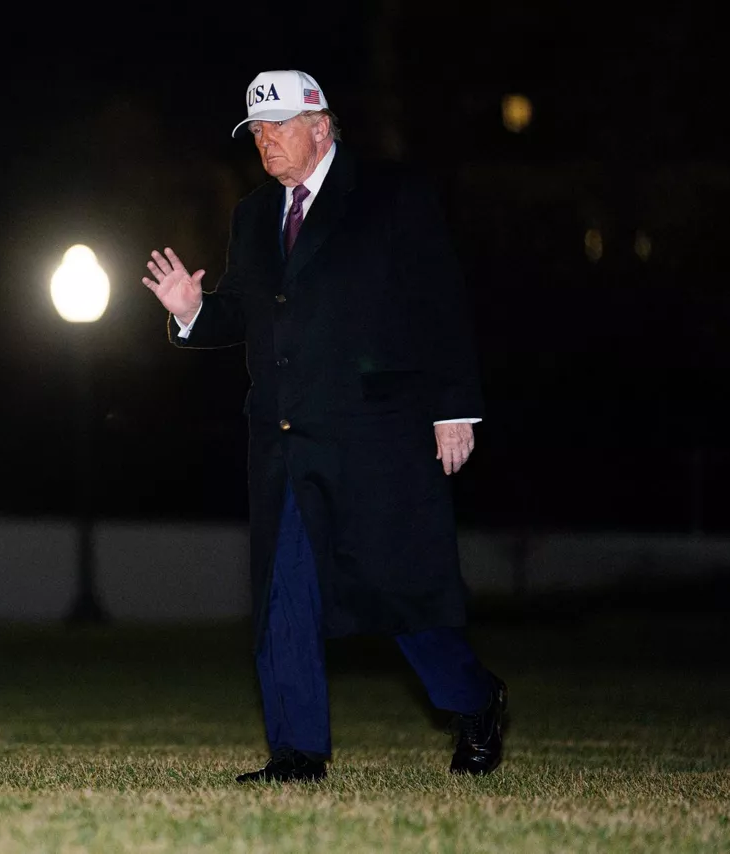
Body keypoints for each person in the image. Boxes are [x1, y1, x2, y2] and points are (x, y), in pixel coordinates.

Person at [141, 70, 505, 782]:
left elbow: (438, 303)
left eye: (278, 127)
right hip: (283, 436)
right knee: (284, 594)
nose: (266, 142)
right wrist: (192, 310)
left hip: (375, 433)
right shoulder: (254, 214)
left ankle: (475, 699)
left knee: (397, 590)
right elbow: (247, 311)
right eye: (257, 131)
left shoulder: (391, 196)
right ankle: (297, 754)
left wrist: (453, 407)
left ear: (320, 126)